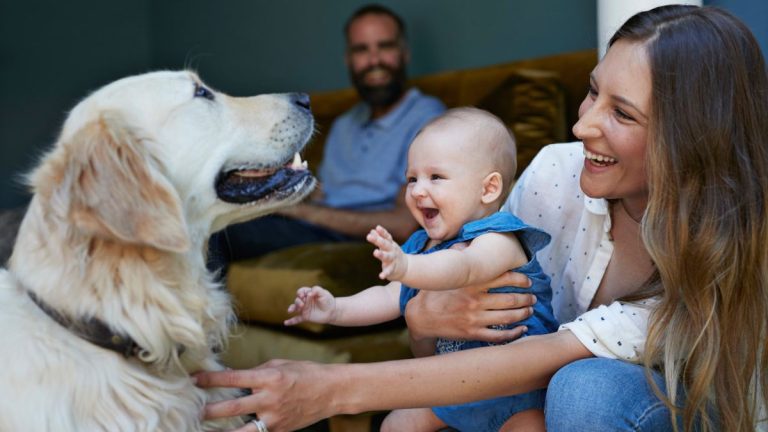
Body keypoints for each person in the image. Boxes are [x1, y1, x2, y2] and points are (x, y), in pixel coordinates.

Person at [196, 5, 768, 432]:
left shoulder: (721, 245)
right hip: (526, 387)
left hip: (684, 411)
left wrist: (332, 389)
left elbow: (537, 363)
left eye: (621, 113)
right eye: (592, 94)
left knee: (584, 389)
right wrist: (424, 319)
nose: (582, 125)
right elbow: (461, 334)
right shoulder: (554, 174)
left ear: (688, 140)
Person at [284, 108, 558, 432]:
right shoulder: (422, 246)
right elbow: (388, 297)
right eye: (411, 178)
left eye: (435, 177)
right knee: (394, 425)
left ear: (488, 189)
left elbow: (463, 267)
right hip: (453, 389)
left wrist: (407, 266)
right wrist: (335, 309)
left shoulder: (499, 238)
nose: (416, 191)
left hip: (516, 392)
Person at [207, 4, 445, 271]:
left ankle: (200, 314)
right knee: (211, 219)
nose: (374, 60)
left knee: (218, 234)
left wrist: (301, 211)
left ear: (404, 54)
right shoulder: (344, 124)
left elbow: (405, 224)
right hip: (311, 227)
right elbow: (323, 194)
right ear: (348, 59)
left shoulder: (428, 118)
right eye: (361, 50)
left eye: (385, 46)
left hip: (353, 238)